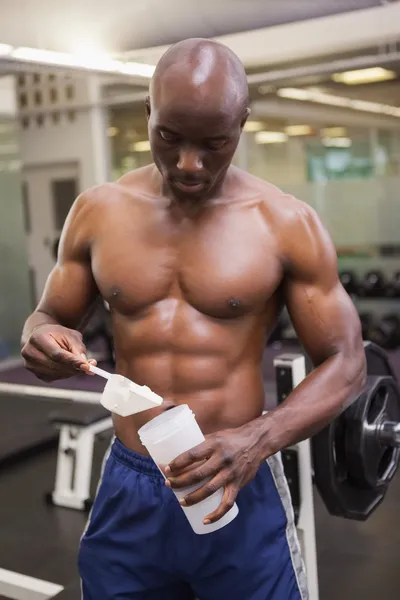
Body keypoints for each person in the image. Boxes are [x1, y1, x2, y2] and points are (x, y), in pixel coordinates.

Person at [21, 38, 366, 600]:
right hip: (131, 482)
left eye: (214, 144)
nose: (188, 163)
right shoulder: (98, 210)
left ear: (243, 125)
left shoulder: (284, 223)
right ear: (147, 112)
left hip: (237, 476)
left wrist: (257, 440)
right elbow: (48, 316)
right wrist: (39, 336)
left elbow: (348, 362)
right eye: (169, 138)